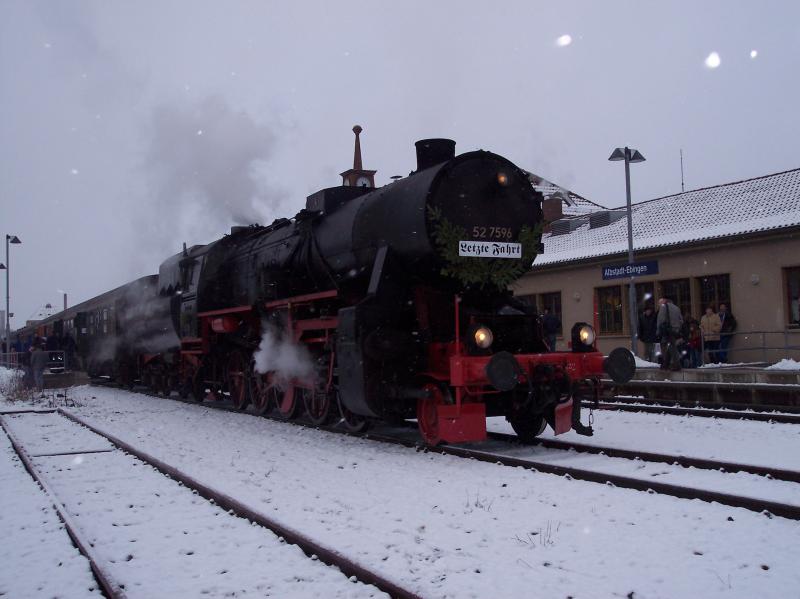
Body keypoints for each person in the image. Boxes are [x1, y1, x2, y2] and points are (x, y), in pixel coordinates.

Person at [656, 297, 683, 370]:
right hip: (675, 330)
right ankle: (666, 364)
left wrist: (658, 331)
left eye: (660, 302)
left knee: (669, 347)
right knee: (671, 345)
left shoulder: (663, 307)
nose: (659, 304)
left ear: (665, 301)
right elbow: (681, 320)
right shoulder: (677, 308)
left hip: (667, 330)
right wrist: (677, 328)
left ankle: (676, 364)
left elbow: (660, 320)